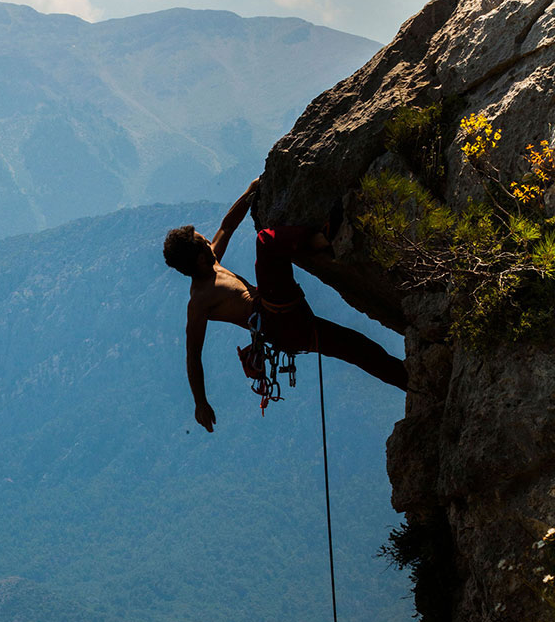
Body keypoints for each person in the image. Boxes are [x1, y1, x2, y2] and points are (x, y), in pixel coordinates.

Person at [162, 178, 407, 432]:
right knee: (265, 243)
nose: (209, 243)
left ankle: (410, 380)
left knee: (360, 348)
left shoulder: (210, 262)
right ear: (200, 261)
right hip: (277, 322)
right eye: (204, 243)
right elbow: (193, 355)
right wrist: (200, 402)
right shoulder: (199, 302)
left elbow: (228, 225)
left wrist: (251, 191)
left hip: (285, 316)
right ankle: (322, 239)